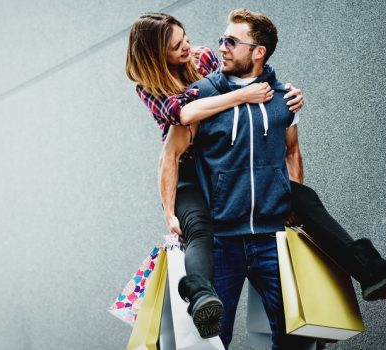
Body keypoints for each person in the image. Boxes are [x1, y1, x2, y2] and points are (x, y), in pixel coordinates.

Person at [160, 9, 386, 348]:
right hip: (223, 241)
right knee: (210, 341)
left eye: (231, 41)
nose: (221, 47)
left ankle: (371, 271)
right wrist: (170, 210)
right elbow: (171, 153)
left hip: (271, 237)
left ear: (258, 52)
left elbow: (292, 152)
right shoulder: (204, 96)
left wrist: (291, 202)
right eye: (223, 39)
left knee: (300, 335)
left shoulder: (286, 98)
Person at [125, 12, 306, 339]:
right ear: (156, 55)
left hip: (220, 161)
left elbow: (237, 81)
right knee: (198, 228)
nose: (188, 48)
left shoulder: (205, 57)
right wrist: (168, 211)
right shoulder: (149, 86)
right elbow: (181, 114)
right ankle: (200, 295)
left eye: (186, 39)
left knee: (305, 203)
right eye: (177, 46)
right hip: (189, 168)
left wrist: (281, 91)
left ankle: (366, 265)